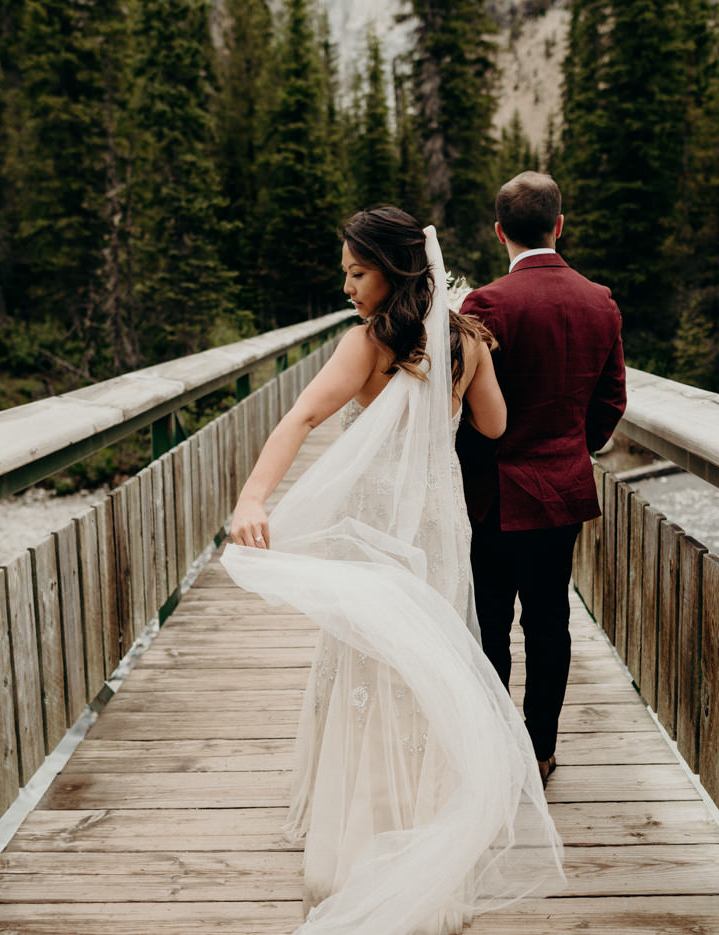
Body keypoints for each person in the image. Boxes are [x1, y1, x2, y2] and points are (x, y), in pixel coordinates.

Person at [222, 207, 564, 935]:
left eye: (356, 271)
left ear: (394, 269)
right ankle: (423, 844)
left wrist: (254, 497)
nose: (347, 285)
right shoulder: (464, 341)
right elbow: (497, 425)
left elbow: (303, 419)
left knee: (370, 672)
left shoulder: (369, 344)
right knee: (424, 676)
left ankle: (358, 854)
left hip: (377, 535)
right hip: (439, 539)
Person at [456, 171, 627, 788]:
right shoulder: (599, 300)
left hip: (494, 494)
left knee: (491, 623)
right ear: (560, 225)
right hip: (561, 491)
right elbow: (611, 400)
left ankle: (494, 748)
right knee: (550, 622)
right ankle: (540, 753)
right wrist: (570, 451)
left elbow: (463, 405)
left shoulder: (486, 303)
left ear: (499, 231)